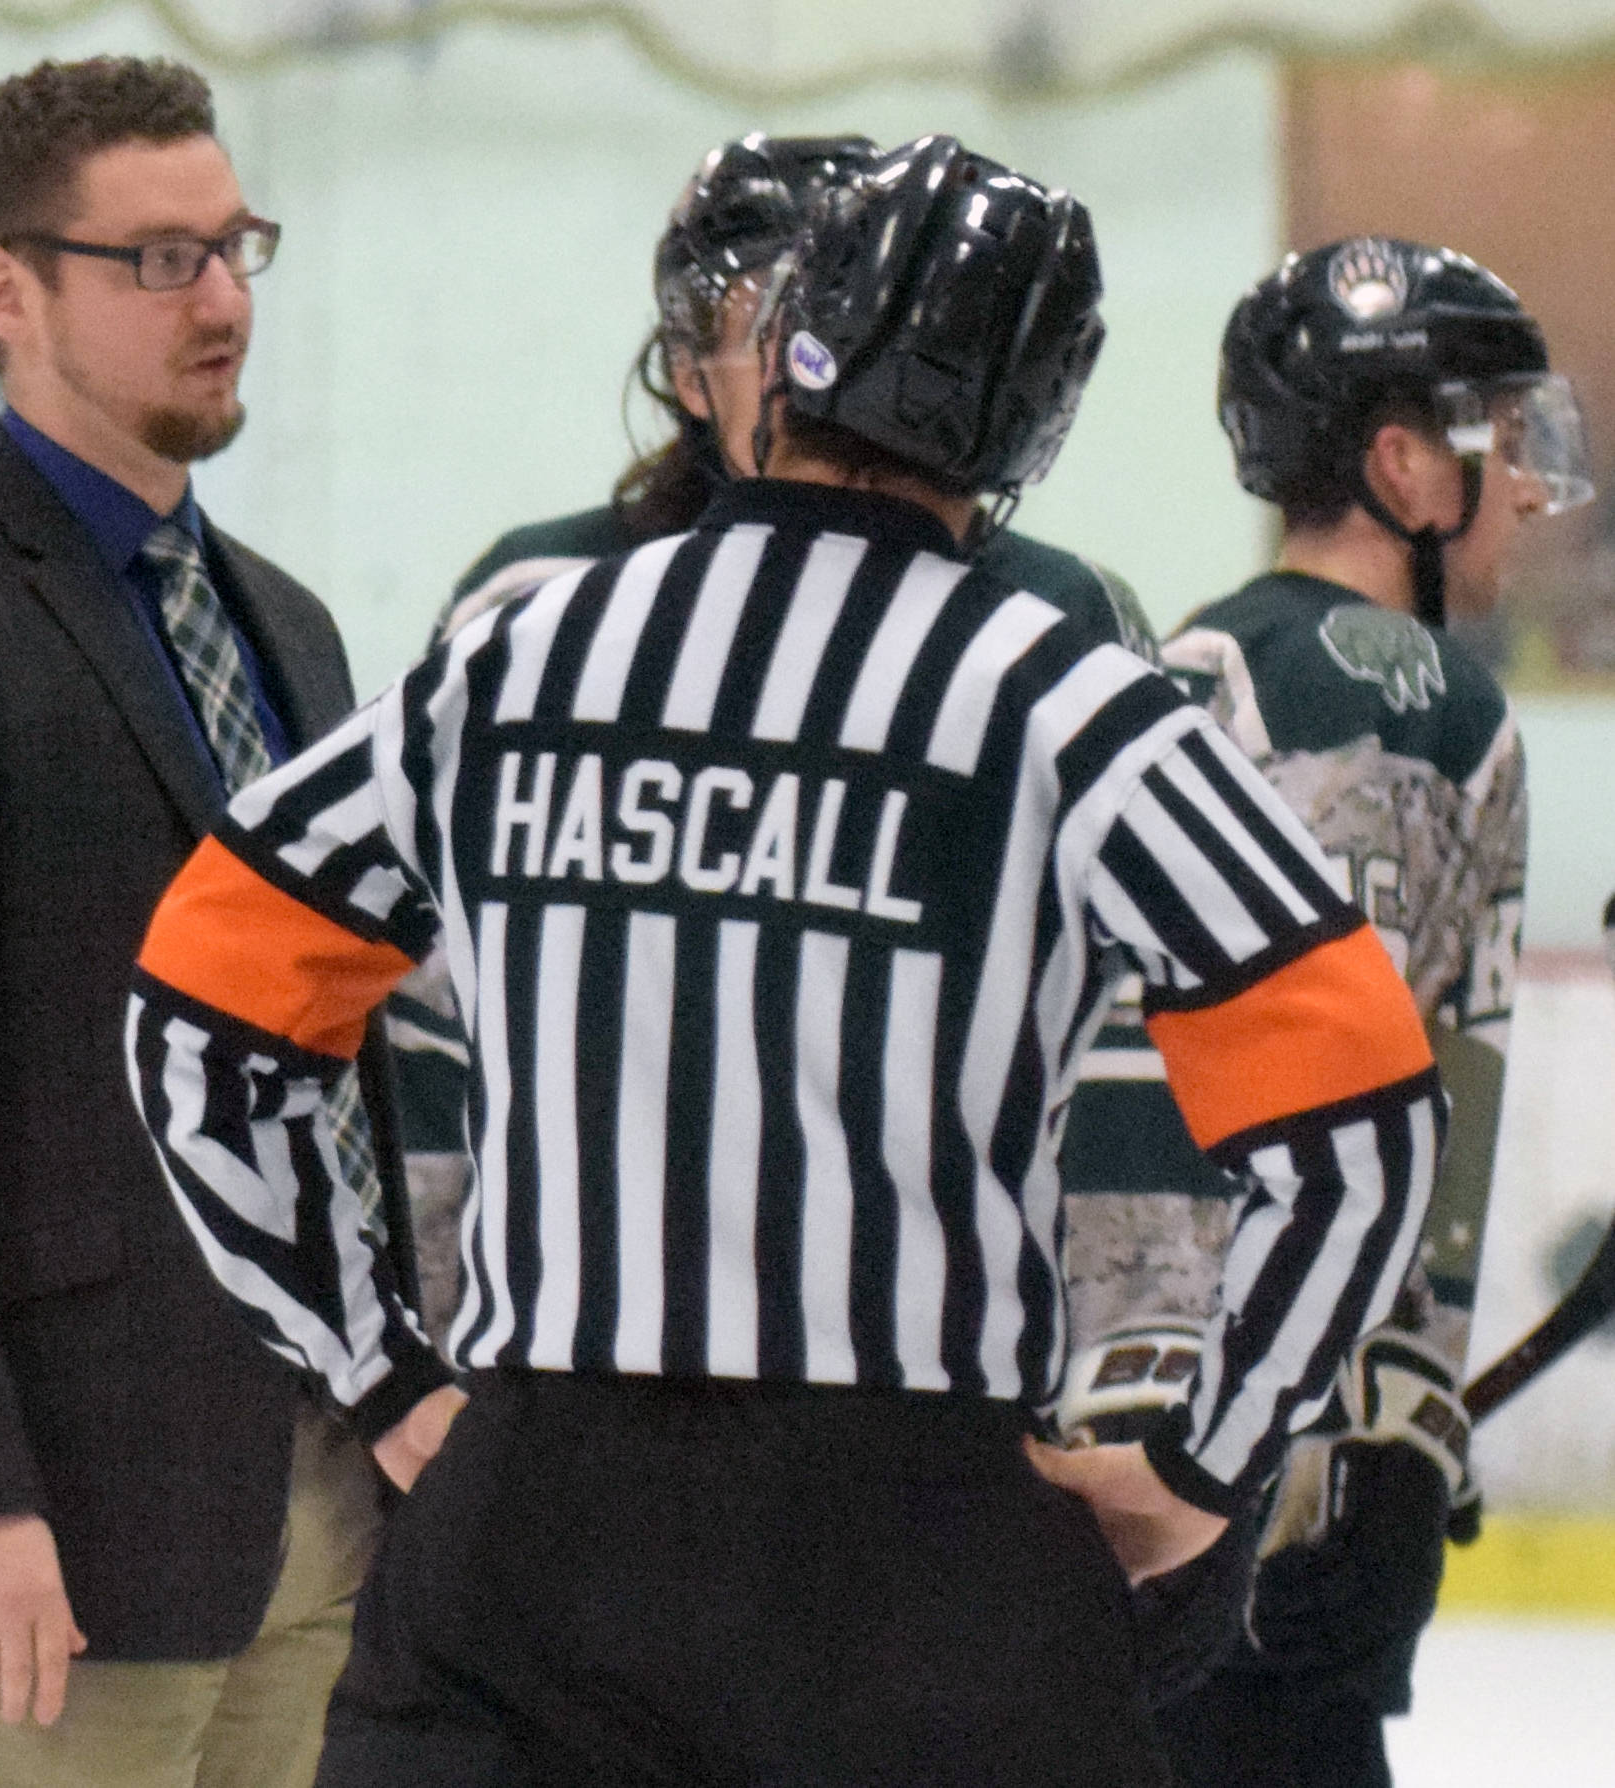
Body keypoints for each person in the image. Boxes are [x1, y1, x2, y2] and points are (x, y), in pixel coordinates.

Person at [127, 138, 1447, 1785]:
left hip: (530, 1532)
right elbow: (1359, 1118)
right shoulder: (1066, 698)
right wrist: (1209, 1456)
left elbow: (203, 1007)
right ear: (1036, 417)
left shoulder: (522, 655)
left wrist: (378, 1362)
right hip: (919, 1553)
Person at [0, 55, 418, 1788]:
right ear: (5, 288)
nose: (220, 301)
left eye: (233, 247)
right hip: (46, 1534)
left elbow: (324, 1051)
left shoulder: (288, 627)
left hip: (302, 1506)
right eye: (158, 260)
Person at [389, 132, 1162, 1345]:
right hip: (583, 1352)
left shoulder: (1056, 624)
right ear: (691, 373)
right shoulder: (539, 604)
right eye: (786, 316)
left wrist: (1124, 1360)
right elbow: (433, 995)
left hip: (928, 1355)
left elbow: (1128, 1021)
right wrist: (421, 1344)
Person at [1058, 235, 1591, 1786]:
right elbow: (1421, 1112)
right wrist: (1404, 1426)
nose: (1536, 490)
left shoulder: (1160, 669)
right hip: (1290, 1462)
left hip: (1093, 1446)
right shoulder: (1441, 703)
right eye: (1504, 441)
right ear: (1404, 462)